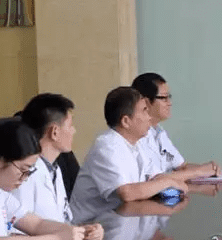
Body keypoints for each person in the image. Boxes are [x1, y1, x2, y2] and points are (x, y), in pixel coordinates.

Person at [70, 86, 190, 223]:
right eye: (144, 111)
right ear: (126, 121)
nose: (149, 117)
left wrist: (170, 182)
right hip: (90, 227)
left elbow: (155, 176)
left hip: (122, 221)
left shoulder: (136, 143)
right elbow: (127, 193)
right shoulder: (107, 146)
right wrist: (169, 182)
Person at [16, 94, 102, 239]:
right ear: (54, 132)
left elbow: (63, 220)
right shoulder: (24, 174)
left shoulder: (54, 167)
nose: (74, 131)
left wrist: (85, 231)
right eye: (70, 125)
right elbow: (17, 231)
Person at [131, 72, 221, 179]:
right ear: (146, 102)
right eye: (164, 98)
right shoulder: (137, 136)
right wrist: (198, 171)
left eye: (169, 97)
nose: (169, 103)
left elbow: (181, 167)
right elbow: (156, 180)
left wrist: (210, 168)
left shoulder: (159, 132)